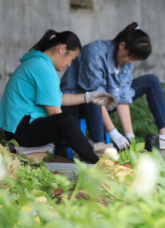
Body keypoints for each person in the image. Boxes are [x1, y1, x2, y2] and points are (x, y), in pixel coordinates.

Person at [60, 22, 165, 150]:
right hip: (77, 104)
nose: (130, 62)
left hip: (106, 102)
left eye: (134, 59)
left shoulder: (126, 62)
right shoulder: (95, 53)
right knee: (95, 95)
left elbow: (122, 98)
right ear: (122, 45)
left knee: (151, 80)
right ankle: (99, 146)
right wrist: (114, 133)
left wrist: (130, 138)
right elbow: (96, 96)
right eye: (131, 57)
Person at [0, 30, 116, 164]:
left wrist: (89, 97)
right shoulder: (44, 70)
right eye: (72, 58)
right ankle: (95, 161)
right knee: (65, 120)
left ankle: (61, 155)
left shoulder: (39, 63)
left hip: (20, 126)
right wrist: (78, 142)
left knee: (70, 111)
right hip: (20, 132)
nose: (69, 65)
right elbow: (56, 114)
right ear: (62, 49)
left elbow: (59, 100)